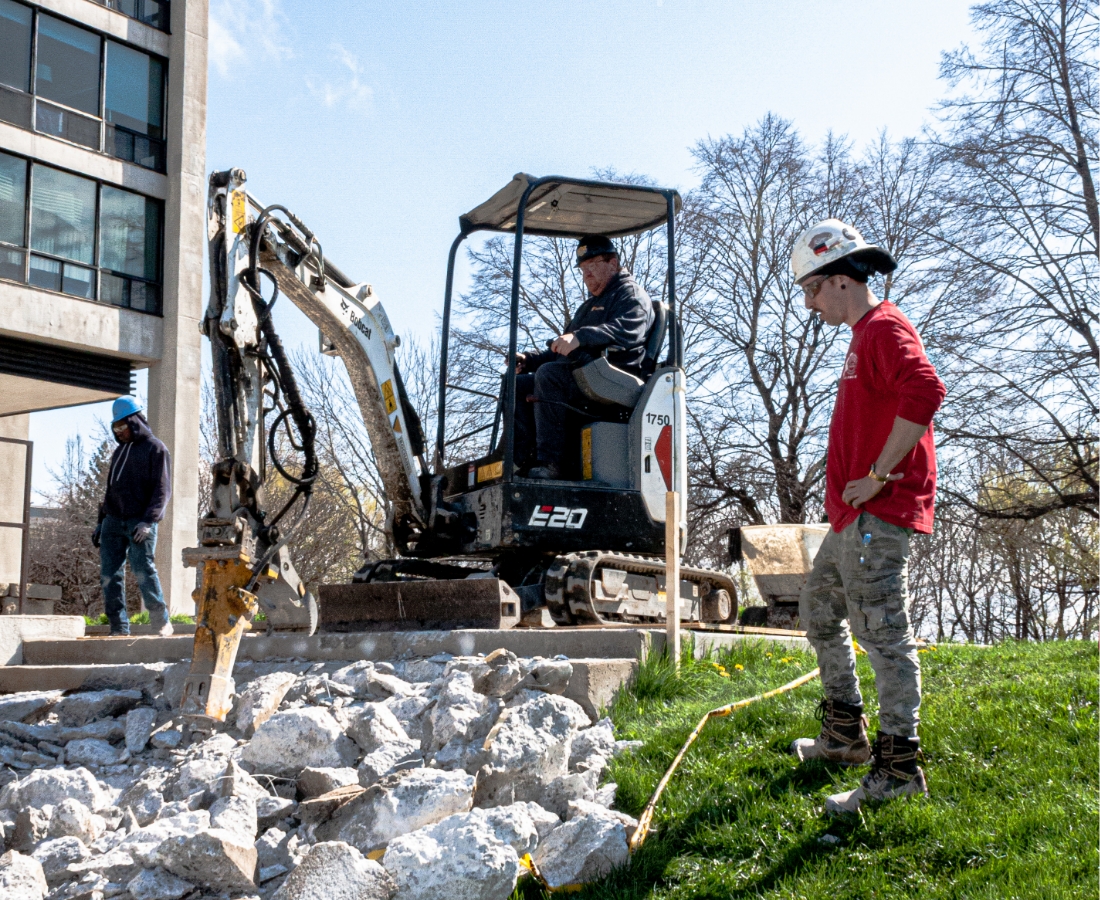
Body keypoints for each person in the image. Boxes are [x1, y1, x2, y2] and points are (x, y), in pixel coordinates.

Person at [788, 218, 946, 815]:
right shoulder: (863, 334)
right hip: (852, 520)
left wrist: (878, 474)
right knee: (820, 610)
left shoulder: (883, 327)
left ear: (839, 281)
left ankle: (899, 768)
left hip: (878, 513)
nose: (809, 303)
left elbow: (926, 391)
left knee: (883, 636)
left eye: (811, 289)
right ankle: (844, 735)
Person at [513, 234, 654, 479]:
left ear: (612, 263)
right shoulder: (589, 306)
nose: (586, 275)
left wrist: (582, 337)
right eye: (583, 270)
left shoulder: (630, 295)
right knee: (518, 384)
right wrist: (530, 359)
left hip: (614, 375)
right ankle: (520, 460)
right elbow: (563, 348)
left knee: (550, 376)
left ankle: (551, 463)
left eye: (592, 267)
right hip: (584, 373)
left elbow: (626, 331)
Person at [92, 396, 173, 637]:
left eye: (122, 426)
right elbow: (110, 490)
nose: (119, 432)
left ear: (134, 421)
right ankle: (118, 627)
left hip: (140, 522)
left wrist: (149, 521)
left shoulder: (156, 448)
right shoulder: (119, 452)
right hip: (113, 521)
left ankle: (161, 623)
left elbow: (163, 490)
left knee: (143, 570)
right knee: (109, 575)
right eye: (115, 428)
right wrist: (101, 522)